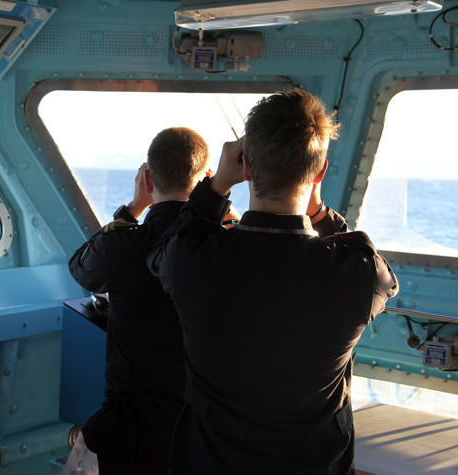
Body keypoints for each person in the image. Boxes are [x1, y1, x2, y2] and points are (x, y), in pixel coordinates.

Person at [148, 90, 399, 474]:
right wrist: (318, 209)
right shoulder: (359, 275)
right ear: (319, 172)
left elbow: (163, 249)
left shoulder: (192, 260)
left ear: (246, 167)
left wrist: (217, 186)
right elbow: (378, 272)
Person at [69, 127, 237, 474]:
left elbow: (80, 267)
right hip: (206, 435)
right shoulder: (228, 247)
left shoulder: (122, 245)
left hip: (134, 436)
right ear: (207, 176)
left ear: (147, 178)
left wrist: (132, 209)